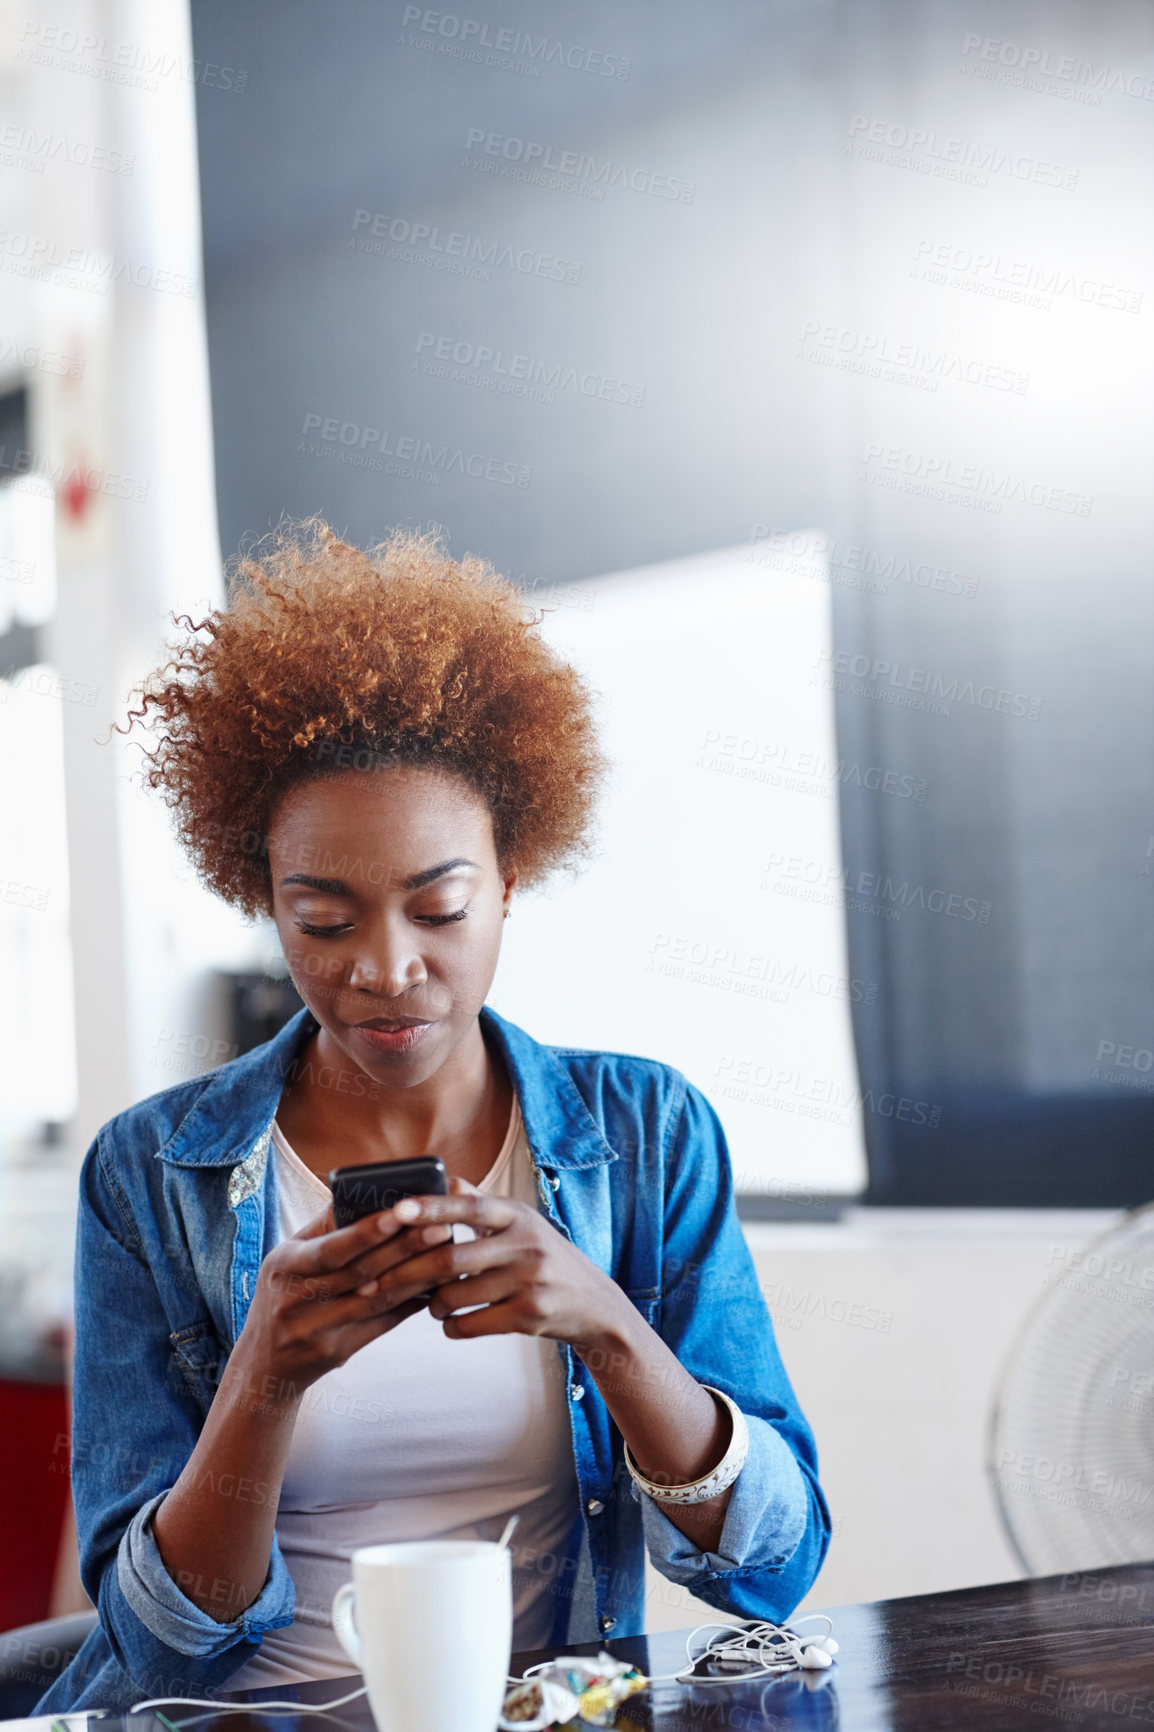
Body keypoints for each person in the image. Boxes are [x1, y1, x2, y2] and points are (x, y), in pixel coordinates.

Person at [37, 522, 830, 1711]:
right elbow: (153, 1650)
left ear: (510, 879)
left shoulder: (645, 1130)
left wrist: (604, 1323)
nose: (385, 967)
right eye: (322, 919)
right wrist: (265, 1374)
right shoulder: (151, 1173)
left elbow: (772, 1566)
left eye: (439, 906)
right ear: (262, 898)